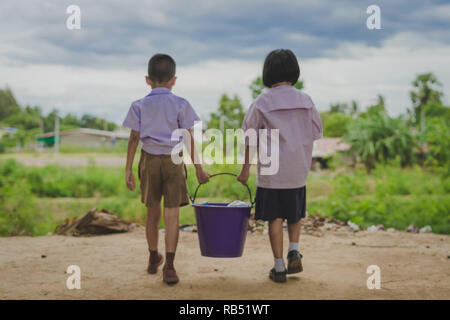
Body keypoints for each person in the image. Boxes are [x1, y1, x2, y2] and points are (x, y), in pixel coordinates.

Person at [123, 53, 209, 285]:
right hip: (173, 161)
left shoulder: (138, 105)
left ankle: (153, 257)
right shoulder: (181, 104)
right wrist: (199, 168)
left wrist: (128, 169)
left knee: (152, 213)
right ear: (173, 79)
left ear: (148, 79)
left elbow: (133, 138)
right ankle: (169, 267)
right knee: (172, 214)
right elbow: (189, 138)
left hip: (149, 161)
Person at [237, 49, 323, 283]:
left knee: (274, 218)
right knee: (294, 215)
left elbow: (249, 138)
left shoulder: (262, 101)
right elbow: (316, 132)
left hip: (272, 173)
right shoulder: (306, 100)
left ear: (268, 73)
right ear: (294, 71)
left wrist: (245, 169)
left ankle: (279, 267)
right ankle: (294, 249)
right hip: (297, 172)